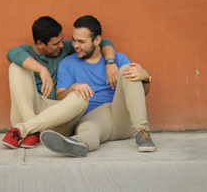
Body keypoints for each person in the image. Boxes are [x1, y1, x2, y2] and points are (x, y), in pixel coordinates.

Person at [40, 14, 155, 156]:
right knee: (88, 130)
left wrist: (146, 78)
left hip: (119, 114)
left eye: (81, 42)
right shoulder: (68, 63)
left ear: (97, 40)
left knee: (128, 70)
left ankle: (142, 132)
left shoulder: (118, 59)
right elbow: (59, 99)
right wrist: (72, 87)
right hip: (92, 118)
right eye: (74, 40)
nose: (75, 45)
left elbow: (138, 95)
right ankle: (76, 144)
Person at [3, 16, 118, 149]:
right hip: (28, 111)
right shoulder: (25, 51)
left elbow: (103, 41)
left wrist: (110, 61)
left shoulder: (65, 48)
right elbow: (12, 53)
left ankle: (25, 130)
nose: (62, 45)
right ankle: (31, 128)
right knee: (16, 66)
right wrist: (41, 69)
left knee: (81, 95)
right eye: (56, 43)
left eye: (62, 41)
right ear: (40, 44)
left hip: (57, 119)